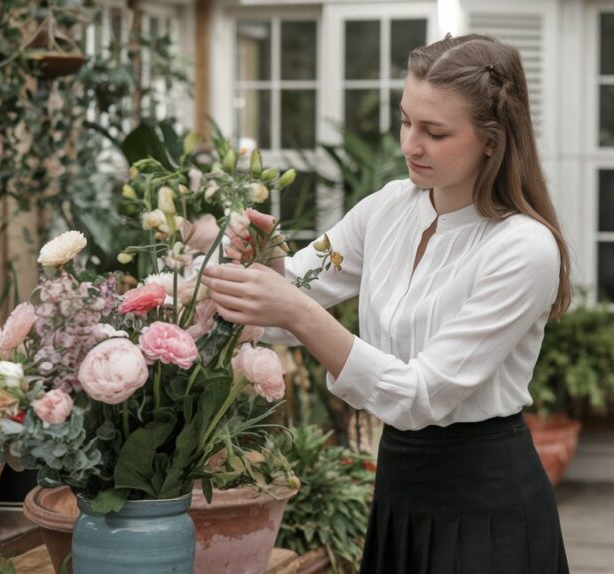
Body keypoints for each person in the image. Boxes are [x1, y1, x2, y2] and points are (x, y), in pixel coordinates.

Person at [201, 33, 571, 574]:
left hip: (485, 503)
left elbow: (418, 397)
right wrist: (268, 264)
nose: (410, 145)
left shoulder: (523, 249)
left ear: (493, 140)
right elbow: (293, 296)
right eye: (406, 121)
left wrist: (294, 308)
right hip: (400, 485)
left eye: (435, 132)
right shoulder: (388, 207)